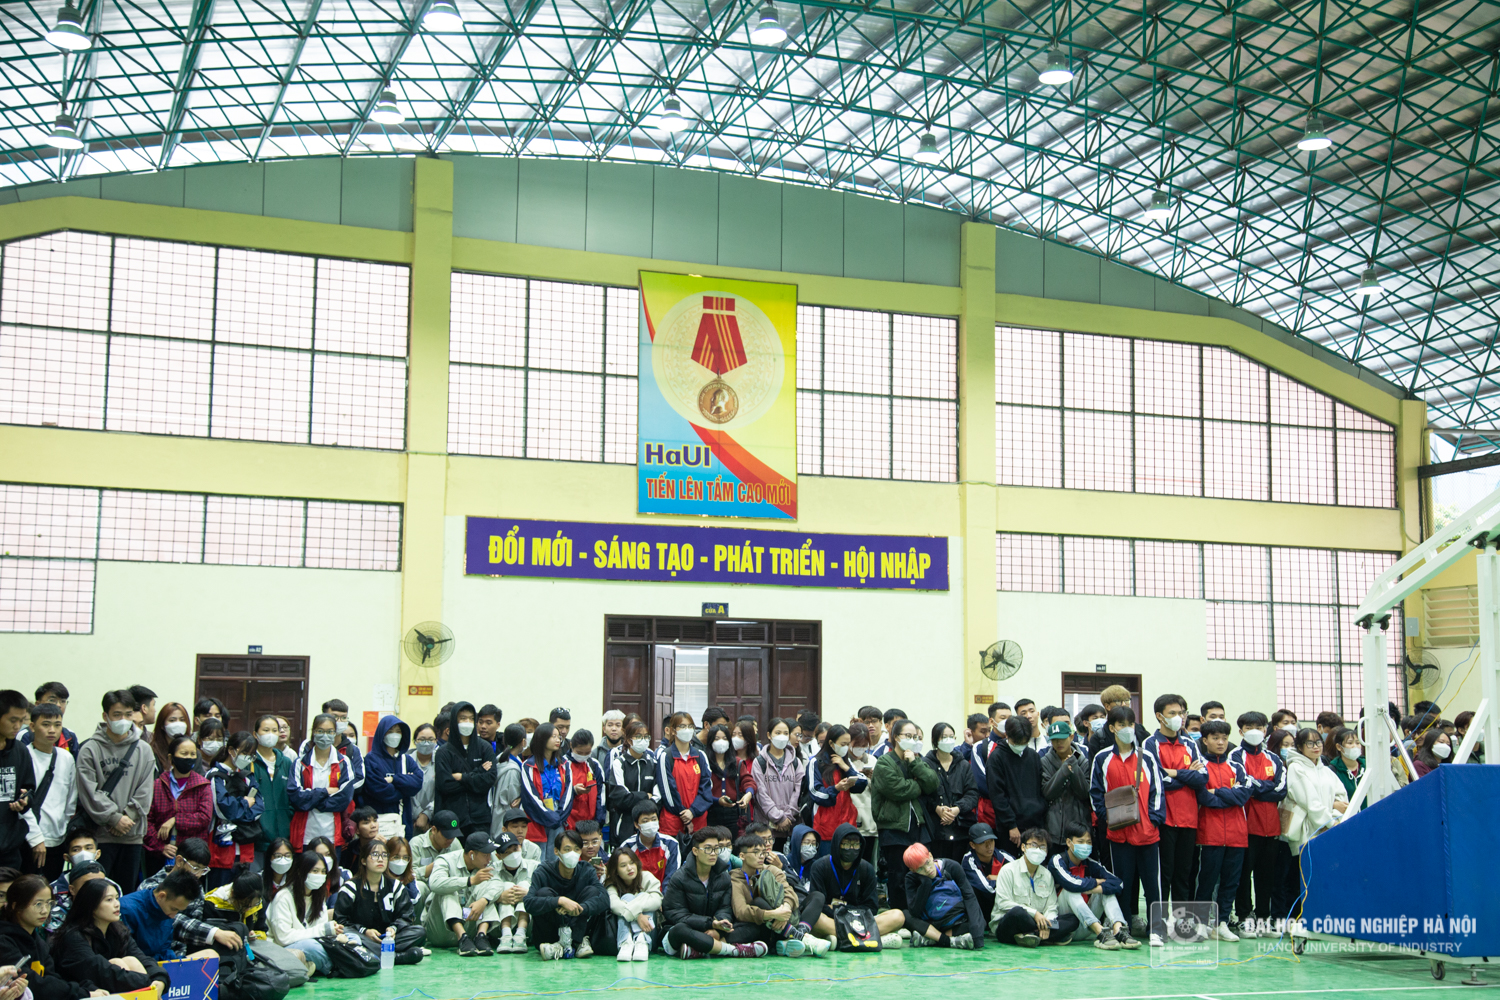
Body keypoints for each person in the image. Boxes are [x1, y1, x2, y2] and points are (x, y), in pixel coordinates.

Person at [1089, 705, 1164, 942]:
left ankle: (1156, 929)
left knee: (1153, 885)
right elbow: (1095, 792)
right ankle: (1125, 929)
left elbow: (1158, 791)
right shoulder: (1103, 758)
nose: (1126, 729)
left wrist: (1154, 819)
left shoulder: (1148, 757)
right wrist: (1107, 818)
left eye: (1130, 724)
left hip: (1148, 833)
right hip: (1118, 834)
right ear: (1112, 728)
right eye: (1121, 724)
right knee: (1123, 883)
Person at [76, 690, 155, 893]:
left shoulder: (143, 749)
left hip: (133, 834)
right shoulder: (90, 749)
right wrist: (113, 818)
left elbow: (146, 790)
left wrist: (127, 817)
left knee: (126, 893)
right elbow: (88, 791)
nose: (123, 720)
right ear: (105, 716)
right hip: (101, 836)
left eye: (128, 714)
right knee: (97, 893)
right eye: (117, 714)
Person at [52, 878, 169, 997]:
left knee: (131, 960)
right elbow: (104, 973)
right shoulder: (74, 936)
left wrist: (159, 978)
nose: (117, 904)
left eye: (117, 898)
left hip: (113, 990)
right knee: (117, 962)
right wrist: (149, 984)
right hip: (85, 993)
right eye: (109, 900)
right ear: (91, 905)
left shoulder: (117, 929)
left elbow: (141, 957)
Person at [0, 873, 109, 1000]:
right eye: (38, 904)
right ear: (16, 906)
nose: (44, 910)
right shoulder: (4, 941)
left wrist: (87, 989)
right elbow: (34, 984)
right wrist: (84, 993)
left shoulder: (38, 941)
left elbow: (52, 977)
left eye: (48, 903)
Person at [661, 827, 764, 959]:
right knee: (679, 929)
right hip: (688, 931)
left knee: (753, 926)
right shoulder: (679, 878)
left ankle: (701, 949)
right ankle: (733, 950)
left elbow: (725, 908)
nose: (713, 853)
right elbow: (675, 914)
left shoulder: (724, 876)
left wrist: (718, 927)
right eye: (708, 849)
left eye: (716, 849)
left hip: (714, 930)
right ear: (695, 851)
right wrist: (710, 923)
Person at [1142, 694, 1205, 908]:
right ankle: (1160, 923)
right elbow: (1156, 780)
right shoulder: (1150, 743)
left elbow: (1202, 778)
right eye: (1173, 713)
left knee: (1184, 874)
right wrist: (1186, 775)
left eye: (1181, 713)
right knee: (1164, 874)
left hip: (1189, 819)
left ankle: (1182, 922)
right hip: (1164, 819)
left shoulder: (1190, 744)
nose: (1179, 717)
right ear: (1160, 716)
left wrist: (1175, 773)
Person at [1228, 711, 1287, 938]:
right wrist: (1265, 787)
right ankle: (1245, 917)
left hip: (1271, 827)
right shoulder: (1234, 756)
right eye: (1248, 726)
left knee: (1266, 876)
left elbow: (1281, 789)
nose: (1254, 730)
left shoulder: (1274, 759)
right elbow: (1243, 788)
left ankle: (1263, 919)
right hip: (1244, 826)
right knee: (1243, 876)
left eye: (1259, 726)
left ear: (1265, 730)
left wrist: (1258, 788)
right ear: (1241, 731)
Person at [871, 719, 936, 912]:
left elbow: (932, 783)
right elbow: (898, 789)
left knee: (921, 872)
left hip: (917, 826)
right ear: (896, 738)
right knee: (898, 876)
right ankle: (900, 915)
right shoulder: (885, 762)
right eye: (907, 736)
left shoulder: (916, 760)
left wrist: (915, 763)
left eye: (915, 736)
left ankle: (920, 913)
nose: (912, 739)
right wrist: (919, 785)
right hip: (893, 828)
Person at [729, 834, 831, 956]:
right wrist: (773, 914)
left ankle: (796, 935)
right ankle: (804, 939)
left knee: (817, 896)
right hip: (763, 925)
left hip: (785, 915)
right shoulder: (735, 878)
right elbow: (741, 911)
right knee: (758, 902)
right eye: (756, 852)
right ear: (742, 856)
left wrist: (786, 908)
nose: (761, 856)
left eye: (763, 852)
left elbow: (789, 891)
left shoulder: (771, 869)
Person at [1280, 728, 1347, 917]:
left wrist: (1334, 814)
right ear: (1300, 747)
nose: (1316, 746)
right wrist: (1329, 821)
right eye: (1310, 743)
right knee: (1301, 878)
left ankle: (1321, 917)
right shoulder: (1296, 768)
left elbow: (1341, 797)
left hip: (1327, 830)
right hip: (1306, 832)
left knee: (1321, 878)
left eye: (1318, 742)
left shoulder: (1325, 770)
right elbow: (1309, 801)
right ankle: (1299, 920)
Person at [1194, 720, 1251, 941]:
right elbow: (1203, 797)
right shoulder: (1200, 766)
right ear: (1205, 740)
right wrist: (1228, 796)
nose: (1221, 742)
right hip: (1210, 834)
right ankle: (1199, 924)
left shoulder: (1237, 766)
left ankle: (1222, 923)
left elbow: (1243, 796)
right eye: (1216, 738)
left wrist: (1217, 791)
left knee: (1230, 882)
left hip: (1237, 834)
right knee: (1206, 882)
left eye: (1224, 739)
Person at [807, 823, 905, 948]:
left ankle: (839, 939)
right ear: (837, 844)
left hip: (860, 920)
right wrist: (844, 911)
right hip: (833, 920)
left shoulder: (866, 868)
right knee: (816, 919)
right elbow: (817, 905)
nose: (851, 848)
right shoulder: (820, 867)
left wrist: (841, 909)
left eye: (856, 845)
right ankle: (874, 939)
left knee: (898, 916)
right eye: (847, 844)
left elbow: (872, 907)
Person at [333, 837, 425, 964]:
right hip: (362, 937)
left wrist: (393, 928)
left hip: (386, 938)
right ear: (364, 861)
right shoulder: (350, 888)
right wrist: (364, 931)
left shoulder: (395, 886)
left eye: (384, 855)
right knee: (347, 935)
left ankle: (373, 954)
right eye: (375, 855)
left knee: (419, 931)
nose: (380, 859)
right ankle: (395, 957)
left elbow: (406, 916)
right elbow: (341, 921)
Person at [1045, 824, 1137, 949]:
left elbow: (1118, 883)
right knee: (1069, 890)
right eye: (1081, 842)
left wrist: (1096, 889)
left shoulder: (1091, 864)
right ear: (1068, 842)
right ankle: (1101, 932)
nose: (1085, 846)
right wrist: (1095, 882)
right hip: (1065, 924)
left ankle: (1119, 930)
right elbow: (1071, 883)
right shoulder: (1057, 860)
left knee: (1106, 890)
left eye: (1088, 842)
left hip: (1086, 927)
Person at [524, 829, 610, 961]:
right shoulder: (543, 871)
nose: (573, 854)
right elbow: (528, 903)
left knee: (592, 891)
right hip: (548, 935)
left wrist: (580, 908)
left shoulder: (586, 870)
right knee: (543, 893)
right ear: (556, 851)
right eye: (567, 849)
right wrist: (559, 901)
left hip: (578, 929)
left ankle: (576, 942)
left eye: (576, 849)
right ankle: (558, 944)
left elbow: (604, 899)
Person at [990, 828, 1078, 947]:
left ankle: (1032, 935)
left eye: (1042, 847)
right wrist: (1035, 914)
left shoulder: (1047, 875)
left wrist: (1047, 924)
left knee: (1073, 920)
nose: (1038, 850)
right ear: (1023, 847)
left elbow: (1051, 906)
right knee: (1017, 912)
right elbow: (1003, 903)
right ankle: (1047, 936)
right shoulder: (1008, 870)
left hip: (1037, 923)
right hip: (1009, 925)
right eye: (1033, 845)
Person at [286, 713, 356, 858]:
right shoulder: (300, 763)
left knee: (331, 876)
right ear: (313, 732)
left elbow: (344, 798)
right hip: (304, 833)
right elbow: (296, 797)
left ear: (335, 733)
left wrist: (312, 800)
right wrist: (325, 791)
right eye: (320, 731)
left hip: (332, 833)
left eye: (330, 731)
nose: (325, 736)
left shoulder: (344, 762)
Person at [22, 701, 78, 880]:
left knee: (51, 888)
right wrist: (35, 837)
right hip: (28, 839)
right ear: (32, 726)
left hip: (57, 838)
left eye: (57, 725)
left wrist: (65, 829)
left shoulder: (66, 758)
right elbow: (22, 801)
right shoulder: (23, 755)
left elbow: (71, 798)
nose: (52, 730)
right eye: (45, 724)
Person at [424, 831, 503, 956]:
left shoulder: (487, 863)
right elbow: (435, 883)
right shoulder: (445, 860)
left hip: (469, 922)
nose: (489, 858)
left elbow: (498, 884)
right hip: (439, 930)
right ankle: (462, 938)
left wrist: (483, 901)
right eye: (485, 855)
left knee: (487, 890)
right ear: (472, 854)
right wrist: (469, 881)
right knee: (447, 890)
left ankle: (481, 936)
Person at [144, 735, 213, 877]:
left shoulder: (203, 785)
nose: (188, 758)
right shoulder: (157, 785)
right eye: (184, 754)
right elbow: (147, 820)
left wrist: (176, 819)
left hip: (192, 858)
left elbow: (204, 817)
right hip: (159, 857)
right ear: (171, 758)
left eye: (192, 754)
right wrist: (160, 847)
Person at [202, 733, 262, 886]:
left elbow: (259, 807)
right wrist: (243, 802)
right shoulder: (215, 776)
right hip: (220, 849)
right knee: (217, 896)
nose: (247, 758)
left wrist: (239, 808)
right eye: (244, 753)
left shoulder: (248, 777)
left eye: (251, 755)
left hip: (244, 847)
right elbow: (223, 810)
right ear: (231, 750)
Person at [266, 851, 337, 978]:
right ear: (300, 871)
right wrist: (323, 931)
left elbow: (319, 933)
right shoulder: (283, 897)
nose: (320, 875)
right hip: (282, 947)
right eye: (315, 871)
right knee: (311, 947)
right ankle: (338, 965)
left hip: (312, 943)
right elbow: (283, 938)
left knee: (353, 938)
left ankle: (315, 965)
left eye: (323, 872)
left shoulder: (318, 897)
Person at [118, 870, 213, 964]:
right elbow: (127, 955)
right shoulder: (128, 910)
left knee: (211, 955)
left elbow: (165, 949)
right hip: (137, 967)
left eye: (178, 911)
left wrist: (174, 965)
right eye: (173, 909)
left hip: (159, 965)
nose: (174, 915)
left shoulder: (165, 910)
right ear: (161, 896)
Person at [901, 842, 983, 950]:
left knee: (979, 921)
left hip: (956, 921)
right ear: (913, 870)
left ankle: (932, 939)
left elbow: (969, 896)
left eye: (927, 863)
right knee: (905, 915)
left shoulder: (952, 866)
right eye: (920, 869)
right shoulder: (911, 879)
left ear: (930, 855)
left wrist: (976, 931)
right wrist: (925, 883)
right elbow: (915, 912)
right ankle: (948, 941)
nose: (927, 870)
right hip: (931, 924)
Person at [985, 716, 1046, 855]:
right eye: (1017, 742)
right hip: (1011, 827)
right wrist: (1011, 825)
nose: (1020, 745)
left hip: (1036, 822)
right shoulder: (996, 757)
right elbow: (997, 796)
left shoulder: (1033, 756)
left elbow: (1040, 789)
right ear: (1006, 735)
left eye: (1024, 742)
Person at [435, 702, 497, 838]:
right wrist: (478, 773)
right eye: (463, 718)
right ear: (454, 721)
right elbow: (444, 785)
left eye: (470, 718)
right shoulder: (444, 752)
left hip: (480, 818)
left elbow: (490, 779)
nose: (467, 722)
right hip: (453, 819)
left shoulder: (484, 748)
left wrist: (462, 777)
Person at [924, 722, 978, 863]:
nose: (948, 740)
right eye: (944, 737)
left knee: (958, 867)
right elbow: (922, 793)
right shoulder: (925, 764)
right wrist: (937, 808)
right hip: (935, 829)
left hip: (960, 828)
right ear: (935, 740)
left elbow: (972, 793)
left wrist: (957, 809)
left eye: (951, 736)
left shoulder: (963, 764)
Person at [361, 715, 422, 838]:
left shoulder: (407, 760)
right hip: (378, 824)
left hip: (403, 823)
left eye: (398, 731)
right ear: (382, 734)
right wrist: (405, 788)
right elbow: (379, 791)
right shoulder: (371, 760)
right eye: (390, 731)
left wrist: (394, 779)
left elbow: (417, 783)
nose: (394, 735)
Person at [655, 713, 713, 841]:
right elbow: (668, 791)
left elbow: (706, 788)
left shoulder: (700, 756)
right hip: (673, 824)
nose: (687, 730)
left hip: (698, 822)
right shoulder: (666, 756)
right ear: (673, 730)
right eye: (682, 726)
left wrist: (693, 811)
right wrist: (685, 817)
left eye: (690, 726)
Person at [519, 724, 571, 864]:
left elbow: (568, 792)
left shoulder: (564, 764)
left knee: (556, 861)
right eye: (553, 736)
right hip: (537, 820)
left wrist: (558, 816)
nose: (558, 740)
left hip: (558, 820)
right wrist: (547, 815)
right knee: (538, 862)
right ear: (542, 739)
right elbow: (530, 795)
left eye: (558, 736)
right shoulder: (528, 766)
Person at [244, 716, 292, 862]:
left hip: (284, 837)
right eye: (266, 730)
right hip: (257, 837)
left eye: (274, 730)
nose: (270, 734)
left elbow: (292, 795)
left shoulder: (286, 762)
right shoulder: (248, 762)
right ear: (255, 734)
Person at [1039, 718, 1090, 852]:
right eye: (1054, 739)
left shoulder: (1083, 760)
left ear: (1071, 737)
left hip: (1078, 826)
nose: (1058, 742)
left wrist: (1074, 767)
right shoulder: (1045, 762)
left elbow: (1084, 792)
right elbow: (1048, 793)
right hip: (1053, 828)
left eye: (1062, 738)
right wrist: (1064, 770)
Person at [750, 718, 803, 845]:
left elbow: (798, 791)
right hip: (766, 827)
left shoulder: (796, 762)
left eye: (785, 733)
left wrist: (788, 817)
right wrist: (778, 817)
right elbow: (761, 793)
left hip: (790, 826)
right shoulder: (759, 762)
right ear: (769, 735)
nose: (782, 737)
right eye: (778, 733)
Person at [605, 847, 661, 962]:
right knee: (629, 897)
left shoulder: (646, 877)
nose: (629, 868)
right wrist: (638, 915)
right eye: (623, 865)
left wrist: (637, 905)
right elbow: (614, 905)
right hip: (618, 933)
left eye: (632, 863)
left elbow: (657, 900)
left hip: (650, 931)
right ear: (616, 870)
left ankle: (642, 941)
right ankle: (626, 942)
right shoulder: (612, 884)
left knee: (640, 897)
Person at [605, 721, 656, 843]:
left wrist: (644, 805)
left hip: (648, 823)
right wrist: (644, 796)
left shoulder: (653, 763)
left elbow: (657, 797)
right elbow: (621, 797)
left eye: (646, 737)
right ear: (628, 739)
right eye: (638, 736)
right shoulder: (619, 763)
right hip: (624, 823)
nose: (642, 740)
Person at [44, 832, 102, 932]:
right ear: (67, 857)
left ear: (98, 853)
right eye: (76, 850)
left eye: (88, 848)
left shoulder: (112, 886)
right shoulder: (52, 889)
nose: (83, 853)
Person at [487, 833, 535, 953]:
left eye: (515, 849)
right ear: (498, 856)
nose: (513, 854)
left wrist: (529, 894)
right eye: (507, 852)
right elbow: (484, 894)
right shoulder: (492, 870)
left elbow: (547, 894)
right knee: (506, 886)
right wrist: (499, 898)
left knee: (524, 887)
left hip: (531, 926)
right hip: (497, 928)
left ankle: (521, 934)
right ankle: (506, 934)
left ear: (520, 847)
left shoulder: (535, 866)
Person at [705, 726, 753, 837]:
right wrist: (717, 800)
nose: (721, 742)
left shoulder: (737, 762)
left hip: (733, 813)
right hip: (711, 812)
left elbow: (748, 780)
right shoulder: (705, 761)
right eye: (717, 739)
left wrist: (748, 794)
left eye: (725, 738)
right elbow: (701, 788)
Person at [959, 822, 1012, 915]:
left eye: (991, 840)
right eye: (983, 842)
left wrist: (997, 877)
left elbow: (1022, 877)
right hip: (982, 908)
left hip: (1004, 904)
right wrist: (1007, 880)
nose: (989, 846)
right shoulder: (968, 861)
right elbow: (988, 889)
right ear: (972, 845)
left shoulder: (1003, 856)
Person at [487, 724, 527, 839]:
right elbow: (512, 801)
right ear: (523, 742)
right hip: (504, 821)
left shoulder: (502, 758)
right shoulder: (511, 770)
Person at [564, 731, 606, 833]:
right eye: (579, 753)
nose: (583, 756)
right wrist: (573, 791)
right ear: (571, 746)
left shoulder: (594, 765)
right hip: (568, 823)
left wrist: (599, 821)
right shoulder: (562, 765)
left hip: (591, 824)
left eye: (587, 753)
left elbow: (602, 795)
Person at [24, 683, 80, 757]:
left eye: (63, 701)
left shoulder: (70, 736)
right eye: (52, 700)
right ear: (37, 704)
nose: (58, 705)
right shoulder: (25, 735)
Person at [146, 704, 190, 777]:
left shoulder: (193, 751)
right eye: (172, 720)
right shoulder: (152, 752)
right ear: (162, 725)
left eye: (182, 720)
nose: (178, 724)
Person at [411, 724, 439, 832]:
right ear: (415, 741)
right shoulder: (406, 761)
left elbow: (442, 791)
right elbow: (406, 790)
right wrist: (418, 814)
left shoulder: (441, 761)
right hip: (410, 817)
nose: (426, 743)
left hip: (433, 819)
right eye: (422, 739)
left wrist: (426, 814)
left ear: (436, 741)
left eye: (430, 739)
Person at [1325, 727, 1364, 797]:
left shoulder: (1367, 766)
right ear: (1339, 747)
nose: (1355, 746)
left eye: (1358, 743)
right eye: (1350, 743)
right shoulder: (1332, 771)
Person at [262, 838, 296, 906]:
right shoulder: (259, 880)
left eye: (287, 856)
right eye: (278, 856)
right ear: (270, 857)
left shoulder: (297, 881)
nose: (283, 860)